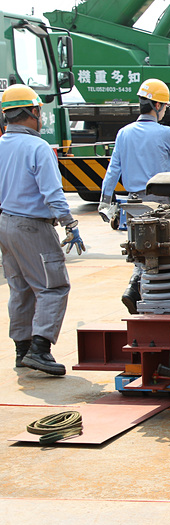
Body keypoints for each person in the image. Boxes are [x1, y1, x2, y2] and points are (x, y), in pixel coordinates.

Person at [0, 84, 86, 375]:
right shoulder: (38, 147)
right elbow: (52, 192)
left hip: (5, 224)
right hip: (32, 226)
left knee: (20, 288)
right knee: (53, 286)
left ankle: (22, 350)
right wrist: (69, 224)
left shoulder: (1, 145)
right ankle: (40, 349)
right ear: (34, 112)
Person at [98, 78, 170, 313]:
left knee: (139, 249)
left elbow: (113, 170)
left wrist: (105, 202)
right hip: (161, 202)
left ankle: (135, 286)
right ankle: (151, 295)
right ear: (159, 106)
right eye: (166, 107)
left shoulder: (124, 133)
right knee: (163, 251)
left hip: (134, 203)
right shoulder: (165, 133)